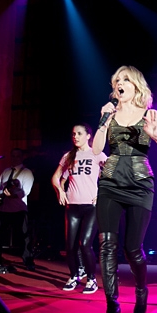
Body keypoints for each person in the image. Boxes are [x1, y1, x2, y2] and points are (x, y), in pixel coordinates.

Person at [93, 65, 157, 313]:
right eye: (117, 80)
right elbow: (96, 149)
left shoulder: (151, 115)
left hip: (140, 185)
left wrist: (155, 134)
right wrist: (103, 120)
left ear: (136, 85)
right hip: (110, 182)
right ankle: (112, 305)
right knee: (106, 245)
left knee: (132, 249)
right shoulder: (108, 113)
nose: (120, 84)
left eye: (125, 80)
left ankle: (141, 289)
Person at [51, 123, 107, 294]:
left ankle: (91, 279)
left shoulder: (97, 154)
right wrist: (60, 191)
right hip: (72, 206)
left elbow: (111, 177)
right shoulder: (68, 156)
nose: (75, 136)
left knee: (85, 243)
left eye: (79, 133)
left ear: (88, 136)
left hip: (91, 206)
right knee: (70, 246)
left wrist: (102, 193)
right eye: (73, 134)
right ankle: (74, 276)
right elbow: (56, 177)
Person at [0, 148, 36, 271]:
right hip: (3, 208)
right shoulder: (6, 171)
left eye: (17, 156)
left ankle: (28, 261)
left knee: (24, 237)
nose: (15, 158)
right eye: (13, 156)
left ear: (22, 157)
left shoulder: (26, 173)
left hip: (19, 209)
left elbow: (25, 192)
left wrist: (12, 195)